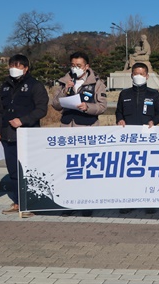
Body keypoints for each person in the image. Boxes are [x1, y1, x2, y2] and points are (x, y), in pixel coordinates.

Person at [51, 51, 107, 217]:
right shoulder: (64, 82)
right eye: (73, 65)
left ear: (86, 66)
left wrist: (87, 107)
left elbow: (102, 106)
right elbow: (55, 105)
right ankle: (68, 203)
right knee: (69, 169)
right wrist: (65, 90)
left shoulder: (97, 83)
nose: (75, 68)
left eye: (79, 66)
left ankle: (87, 203)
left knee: (86, 168)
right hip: (68, 127)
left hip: (87, 128)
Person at [0, 54, 48, 217]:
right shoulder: (5, 86)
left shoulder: (35, 85)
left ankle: (30, 204)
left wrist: (23, 121)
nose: (14, 69)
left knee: (28, 171)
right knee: (13, 172)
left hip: (27, 135)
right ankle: (18, 202)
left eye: (18, 66)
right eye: (12, 66)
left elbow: (41, 109)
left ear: (25, 69)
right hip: (8, 135)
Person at [115, 62, 159, 215]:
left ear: (147, 76)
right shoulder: (124, 94)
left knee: (148, 171)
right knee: (129, 171)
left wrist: (153, 121)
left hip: (147, 138)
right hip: (129, 138)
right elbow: (118, 112)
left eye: (141, 74)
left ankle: (149, 202)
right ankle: (128, 202)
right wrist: (120, 120)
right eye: (135, 73)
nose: (138, 76)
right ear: (131, 75)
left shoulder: (153, 94)